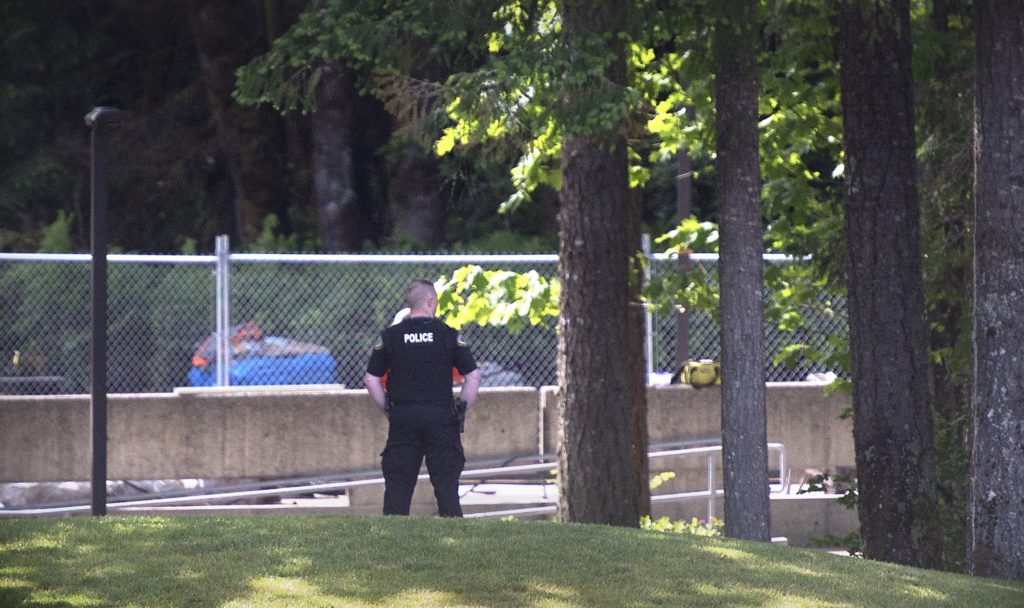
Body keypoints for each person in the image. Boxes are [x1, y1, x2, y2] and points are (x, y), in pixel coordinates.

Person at [364, 280, 481, 517]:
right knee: (448, 490)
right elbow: (474, 377)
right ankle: (456, 542)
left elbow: (370, 379)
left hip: (403, 419)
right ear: (430, 302)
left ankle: (393, 544)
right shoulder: (448, 335)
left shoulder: (390, 336)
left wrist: (388, 409)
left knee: (397, 491)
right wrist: (461, 410)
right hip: (441, 418)